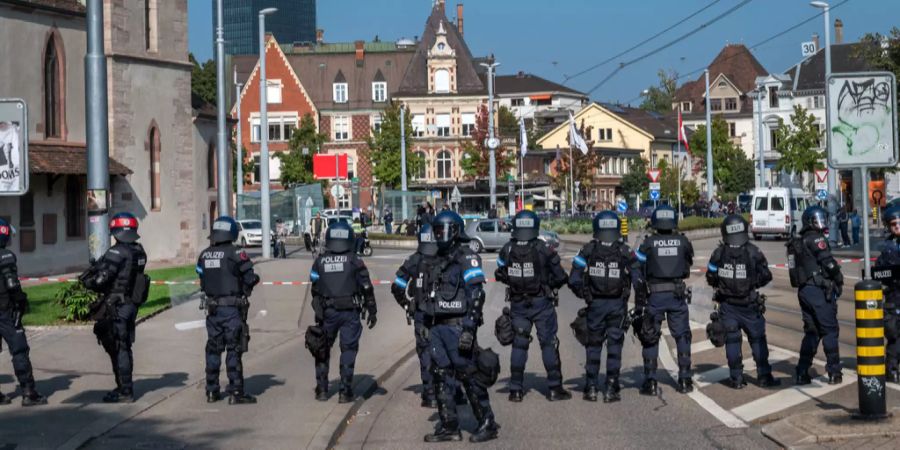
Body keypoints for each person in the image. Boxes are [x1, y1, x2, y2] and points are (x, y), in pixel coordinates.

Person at [423, 211, 499, 443]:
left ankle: (487, 422)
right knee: (439, 375)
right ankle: (449, 426)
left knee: (469, 375)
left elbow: (476, 295)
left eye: (442, 230)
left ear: (455, 231)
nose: (439, 235)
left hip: (457, 327)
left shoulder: (467, 257)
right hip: (437, 327)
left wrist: (469, 328)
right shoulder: (435, 258)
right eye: (436, 231)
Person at [494, 210, 569, 402]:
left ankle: (515, 390)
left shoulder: (507, 249)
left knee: (519, 345)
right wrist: (549, 285)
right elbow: (561, 277)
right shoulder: (543, 248)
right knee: (548, 343)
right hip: (542, 303)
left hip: (518, 303)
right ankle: (554, 388)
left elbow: (499, 272)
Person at [567, 211, 637, 402]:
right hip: (617, 305)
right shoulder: (625, 251)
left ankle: (590, 387)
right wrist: (639, 304)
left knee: (593, 346)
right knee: (614, 347)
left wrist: (586, 296)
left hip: (595, 305)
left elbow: (573, 280)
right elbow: (639, 279)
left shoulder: (588, 250)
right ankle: (611, 388)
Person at [79, 212, 149, 403]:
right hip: (130, 304)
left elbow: (102, 280)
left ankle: (125, 390)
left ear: (116, 231)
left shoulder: (116, 252)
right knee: (124, 345)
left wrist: (88, 282)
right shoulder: (139, 251)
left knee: (119, 347)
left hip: (116, 305)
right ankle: (124, 387)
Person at [706, 215, 780, 389]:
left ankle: (736, 378)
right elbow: (766, 276)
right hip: (749, 305)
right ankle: (764, 376)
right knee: (758, 340)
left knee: (732, 341)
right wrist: (752, 283)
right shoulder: (753, 251)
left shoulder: (718, 253)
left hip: (727, 306)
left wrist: (722, 284)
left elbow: (710, 276)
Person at [310, 221, 377, 403]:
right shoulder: (355, 261)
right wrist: (372, 310)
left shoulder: (320, 261)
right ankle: (345, 391)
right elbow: (366, 287)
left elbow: (314, 285)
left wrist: (318, 307)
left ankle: (322, 390)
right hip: (350, 312)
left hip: (327, 312)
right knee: (348, 349)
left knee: (322, 348)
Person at [196, 216, 260, 404]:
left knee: (213, 349)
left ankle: (211, 391)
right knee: (234, 349)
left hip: (212, 310)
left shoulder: (205, 254)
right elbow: (249, 277)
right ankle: (236, 392)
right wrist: (251, 281)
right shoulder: (236, 252)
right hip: (232, 310)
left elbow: (201, 277)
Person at [634, 205, 694, 395]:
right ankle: (685, 379)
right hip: (677, 295)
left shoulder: (648, 243)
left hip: (655, 296)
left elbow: (638, 267)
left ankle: (650, 382)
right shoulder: (683, 241)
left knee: (650, 335)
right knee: (682, 336)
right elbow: (687, 265)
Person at [788, 205, 844, 385]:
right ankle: (834, 372)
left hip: (804, 291)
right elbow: (828, 263)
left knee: (812, 332)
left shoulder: (797, 242)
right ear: (809, 222)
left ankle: (802, 371)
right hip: (819, 290)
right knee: (829, 330)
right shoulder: (817, 238)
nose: (821, 223)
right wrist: (838, 278)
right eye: (817, 219)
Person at [392, 223, 440, 407]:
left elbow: (397, 286)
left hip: (422, 313)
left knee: (425, 351)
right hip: (444, 313)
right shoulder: (447, 257)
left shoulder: (414, 260)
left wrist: (406, 304)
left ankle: (429, 394)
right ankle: (451, 390)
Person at [0, 219, 47, 407]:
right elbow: (12, 285)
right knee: (19, 350)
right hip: (5, 310)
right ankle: (28, 392)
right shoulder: (6, 256)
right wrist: (21, 301)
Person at [872, 206, 900, 384]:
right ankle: (891, 369)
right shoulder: (888, 248)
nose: (897, 227)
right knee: (895, 337)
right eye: (893, 224)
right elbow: (878, 272)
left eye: (899, 223)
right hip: (894, 298)